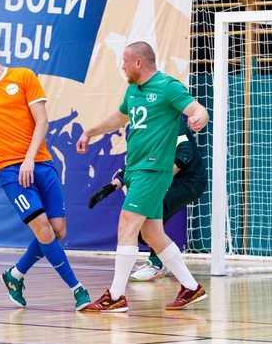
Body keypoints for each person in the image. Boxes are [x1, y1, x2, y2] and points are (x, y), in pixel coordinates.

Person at [76, 41, 210, 312]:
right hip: (136, 169)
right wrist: (90, 132)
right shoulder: (133, 90)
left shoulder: (167, 86)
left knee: (127, 224)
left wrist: (200, 118)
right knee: (152, 233)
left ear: (138, 62)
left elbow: (198, 109)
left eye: (125, 61)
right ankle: (191, 287)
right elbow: (119, 117)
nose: (122, 66)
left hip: (153, 169)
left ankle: (115, 296)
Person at [0, 36, 91, 311]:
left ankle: (15, 275)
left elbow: (42, 121)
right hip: (9, 170)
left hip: (40, 162)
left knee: (58, 231)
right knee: (42, 228)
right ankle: (78, 290)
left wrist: (30, 158)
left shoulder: (23, 77)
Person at [89, 116, 208, 282]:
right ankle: (182, 279)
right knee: (143, 228)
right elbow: (137, 164)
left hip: (190, 181)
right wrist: (110, 188)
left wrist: (159, 180)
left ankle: (156, 265)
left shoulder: (171, 120)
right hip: (167, 179)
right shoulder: (143, 129)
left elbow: (185, 152)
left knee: (151, 214)